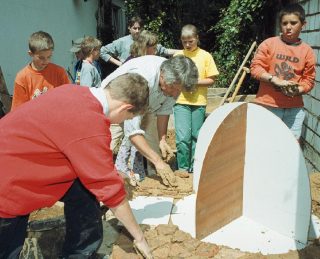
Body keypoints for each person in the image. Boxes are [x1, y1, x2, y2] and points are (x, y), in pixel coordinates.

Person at [0, 74, 152, 258]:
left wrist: (111, 172)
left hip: (19, 161)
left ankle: (79, 253)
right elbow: (110, 190)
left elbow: (76, 148)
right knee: (8, 247)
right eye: (128, 117)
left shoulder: (72, 91)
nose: (122, 122)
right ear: (126, 108)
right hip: (8, 186)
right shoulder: (91, 124)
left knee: (83, 193)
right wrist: (139, 238)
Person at [101, 55, 199, 185]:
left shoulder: (173, 81)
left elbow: (164, 111)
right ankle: (103, 184)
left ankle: (145, 176)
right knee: (105, 146)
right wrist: (159, 162)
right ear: (163, 77)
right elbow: (133, 131)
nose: (176, 94)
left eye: (179, 91)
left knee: (152, 144)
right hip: (113, 105)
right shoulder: (142, 79)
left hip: (147, 107)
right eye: (175, 89)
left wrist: (162, 139)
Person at [250, 3, 316, 141]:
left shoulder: (307, 51)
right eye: (284, 23)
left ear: (303, 24)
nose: (288, 27)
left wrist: (298, 89)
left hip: (294, 110)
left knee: (290, 148)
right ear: (280, 24)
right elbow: (255, 68)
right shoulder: (269, 44)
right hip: (268, 106)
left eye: (293, 23)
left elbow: (309, 80)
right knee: (266, 143)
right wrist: (274, 79)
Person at [174, 24, 219, 173]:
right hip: (180, 101)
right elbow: (171, 77)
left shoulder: (205, 56)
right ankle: (183, 167)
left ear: (197, 39)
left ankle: (196, 166)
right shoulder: (178, 56)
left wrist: (194, 82)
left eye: (191, 41)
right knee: (182, 137)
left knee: (196, 136)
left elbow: (211, 79)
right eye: (184, 41)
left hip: (199, 102)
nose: (187, 44)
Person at [116, 30, 159, 186]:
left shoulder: (150, 62)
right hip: (130, 103)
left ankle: (137, 170)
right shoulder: (133, 62)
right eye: (152, 48)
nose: (155, 51)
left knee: (140, 138)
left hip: (143, 105)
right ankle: (122, 169)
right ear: (144, 47)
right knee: (130, 138)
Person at [11, 31, 70, 110]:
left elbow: (69, 99)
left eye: (49, 57)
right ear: (31, 54)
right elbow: (18, 111)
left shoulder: (60, 73)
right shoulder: (22, 78)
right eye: (41, 58)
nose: (46, 61)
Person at [100, 16, 178, 67]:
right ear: (129, 28)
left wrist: (183, 51)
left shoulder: (147, 40)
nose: (137, 31)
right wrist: (120, 63)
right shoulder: (121, 42)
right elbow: (102, 51)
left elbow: (164, 51)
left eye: (139, 28)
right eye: (135, 28)